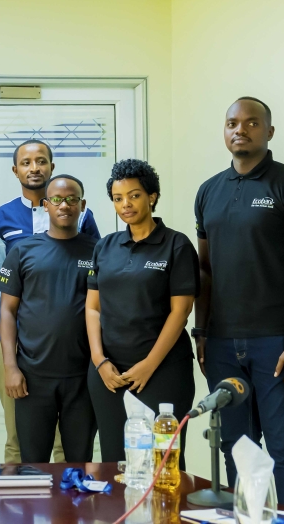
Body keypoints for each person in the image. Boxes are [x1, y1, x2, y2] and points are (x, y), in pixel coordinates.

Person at [194, 97, 284, 501]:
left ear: (268, 132)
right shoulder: (208, 191)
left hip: (277, 343)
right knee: (237, 450)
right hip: (220, 343)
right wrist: (201, 332)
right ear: (224, 131)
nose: (241, 129)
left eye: (252, 123)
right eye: (232, 122)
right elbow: (205, 271)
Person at [0, 139, 99, 463]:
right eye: (26, 162)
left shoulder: (92, 242)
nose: (34, 167)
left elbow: (97, 297)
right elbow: (0, 282)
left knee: (71, 450)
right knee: (19, 440)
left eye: (41, 161)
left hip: (75, 361)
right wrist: (10, 360)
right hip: (23, 348)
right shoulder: (4, 218)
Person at [86, 159, 197, 468]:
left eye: (134, 195)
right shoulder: (105, 247)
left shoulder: (176, 245)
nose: (126, 204)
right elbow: (93, 308)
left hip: (162, 370)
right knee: (115, 461)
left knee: (164, 462)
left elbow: (181, 311)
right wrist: (99, 361)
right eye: (118, 198)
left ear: (152, 196)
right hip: (109, 373)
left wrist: (149, 365)